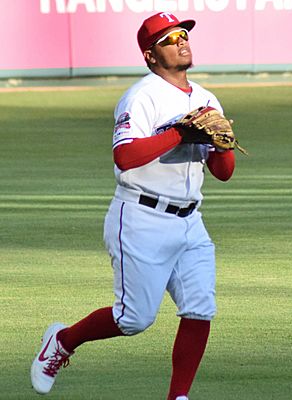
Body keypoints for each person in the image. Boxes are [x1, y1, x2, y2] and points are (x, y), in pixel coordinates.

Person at [31, 12, 235, 400]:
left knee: (200, 308)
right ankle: (62, 340)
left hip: (191, 220)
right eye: (169, 38)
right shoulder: (142, 96)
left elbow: (223, 172)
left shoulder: (207, 99)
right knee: (134, 319)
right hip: (141, 218)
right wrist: (179, 132)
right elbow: (125, 156)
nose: (180, 40)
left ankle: (179, 397)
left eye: (182, 34)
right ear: (150, 55)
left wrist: (223, 145)